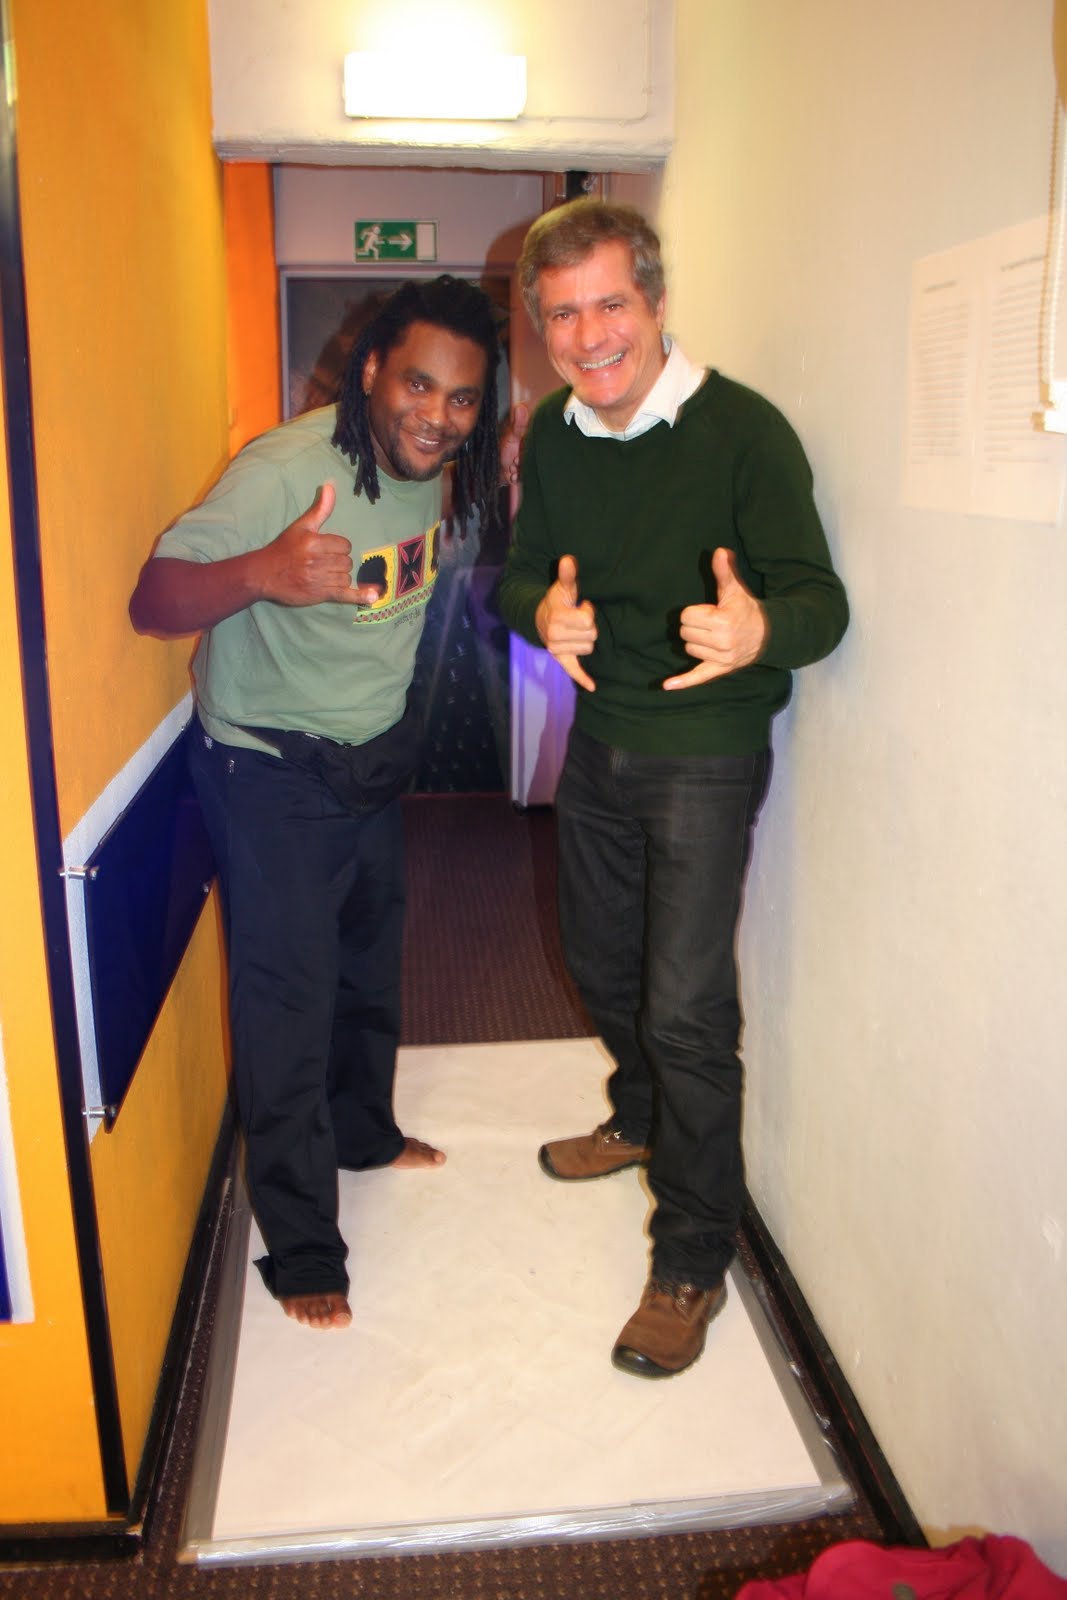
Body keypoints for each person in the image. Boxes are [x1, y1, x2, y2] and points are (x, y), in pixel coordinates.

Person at [498, 200, 848, 1379]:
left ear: (653, 302)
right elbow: (519, 574)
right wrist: (540, 614)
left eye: (609, 303)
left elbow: (818, 601)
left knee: (685, 1007)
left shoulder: (744, 431)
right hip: (600, 737)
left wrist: (758, 631)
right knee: (600, 964)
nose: (587, 334)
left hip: (704, 749)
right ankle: (638, 1116)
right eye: (561, 313)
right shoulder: (553, 433)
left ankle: (693, 1253)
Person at [130, 276, 501, 1330]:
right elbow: (154, 599)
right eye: (417, 384)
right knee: (287, 1006)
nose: (436, 416)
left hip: (367, 760)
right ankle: (300, 1250)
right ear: (371, 368)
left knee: (369, 966)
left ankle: (365, 1135)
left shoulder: (439, 468)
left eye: (461, 398)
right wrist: (263, 571)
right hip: (271, 770)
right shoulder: (288, 469)